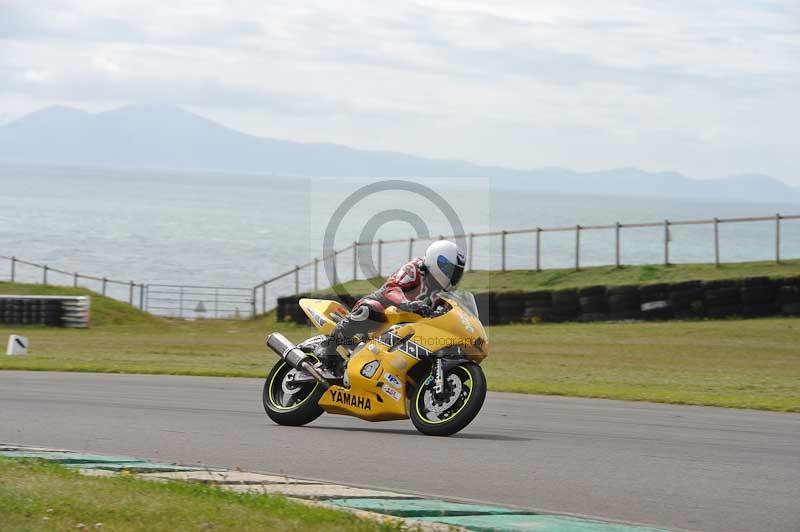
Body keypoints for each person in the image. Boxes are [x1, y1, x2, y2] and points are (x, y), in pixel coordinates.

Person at [320, 240, 466, 363]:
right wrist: (407, 304)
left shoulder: (441, 293)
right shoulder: (414, 269)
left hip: (405, 327)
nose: (451, 275)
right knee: (369, 311)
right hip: (382, 310)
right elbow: (391, 288)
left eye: (455, 272)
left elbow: (449, 312)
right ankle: (328, 347)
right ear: (436, 260)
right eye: (449, 269)